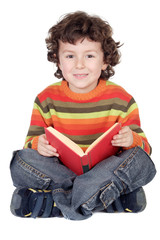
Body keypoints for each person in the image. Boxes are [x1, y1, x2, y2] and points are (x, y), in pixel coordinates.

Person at [10, 11, 156, 220]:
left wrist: (131, 139)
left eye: (89, 56)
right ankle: (105, 198)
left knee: (140, 162)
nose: (79, 64)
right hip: (61, 173)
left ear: (105, 61)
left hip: (104, 172)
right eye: (70, 56)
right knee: (20, 161)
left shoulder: (122, 99)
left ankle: (56, 203)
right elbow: (30, 145)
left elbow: (145, 150)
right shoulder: (46, 99)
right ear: (58, 61)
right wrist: (38, 144)